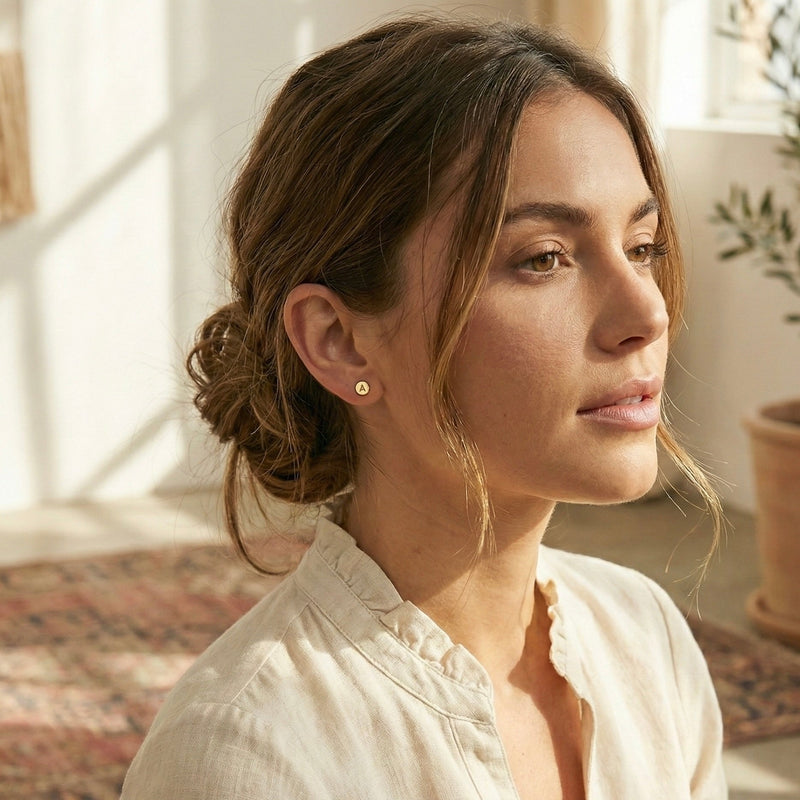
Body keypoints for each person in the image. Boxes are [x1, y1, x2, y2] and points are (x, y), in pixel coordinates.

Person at [121, 15, 727, 800]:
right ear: (338, 339)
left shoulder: (646, 637)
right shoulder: (245, 755)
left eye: (642, 247)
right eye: (544, 258)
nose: (646, 312)